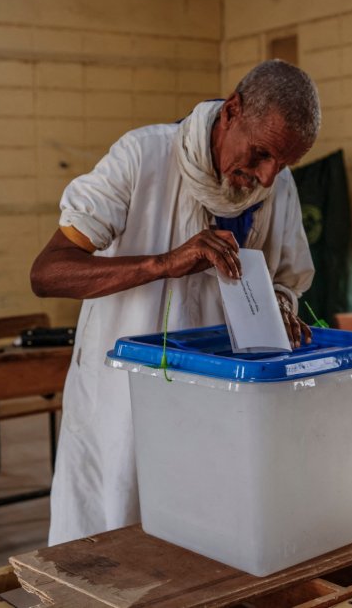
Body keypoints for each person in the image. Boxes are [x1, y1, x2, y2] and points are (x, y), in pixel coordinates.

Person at [30, 59, 321, 546]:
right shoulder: (143, 158)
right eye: (261, 154)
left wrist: (281, 309)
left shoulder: (275, 188)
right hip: (122, 397)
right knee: (116, 534)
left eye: (283, 164)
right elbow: (47, 273)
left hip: (217, 400)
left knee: (206, 541)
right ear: (231, 112)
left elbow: (284, 279)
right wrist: (163, 264)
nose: (268, 177)